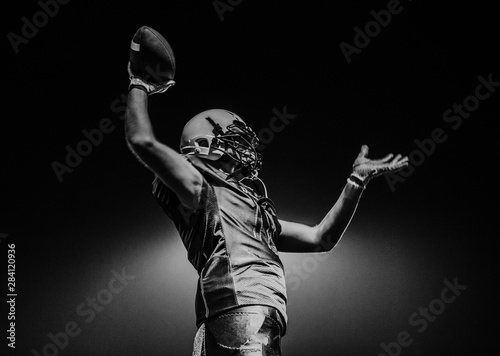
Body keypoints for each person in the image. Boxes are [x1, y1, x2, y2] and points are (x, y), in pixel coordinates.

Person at [125, 69, 408, 356]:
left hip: (252, 317)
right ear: (205, 146)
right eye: (233, 139)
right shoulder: (201, 187)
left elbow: (322, 238)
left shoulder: (250, 205)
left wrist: (356, 182)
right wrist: (140, 84)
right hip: (238, 314)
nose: (245, 146)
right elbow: (142, 141)